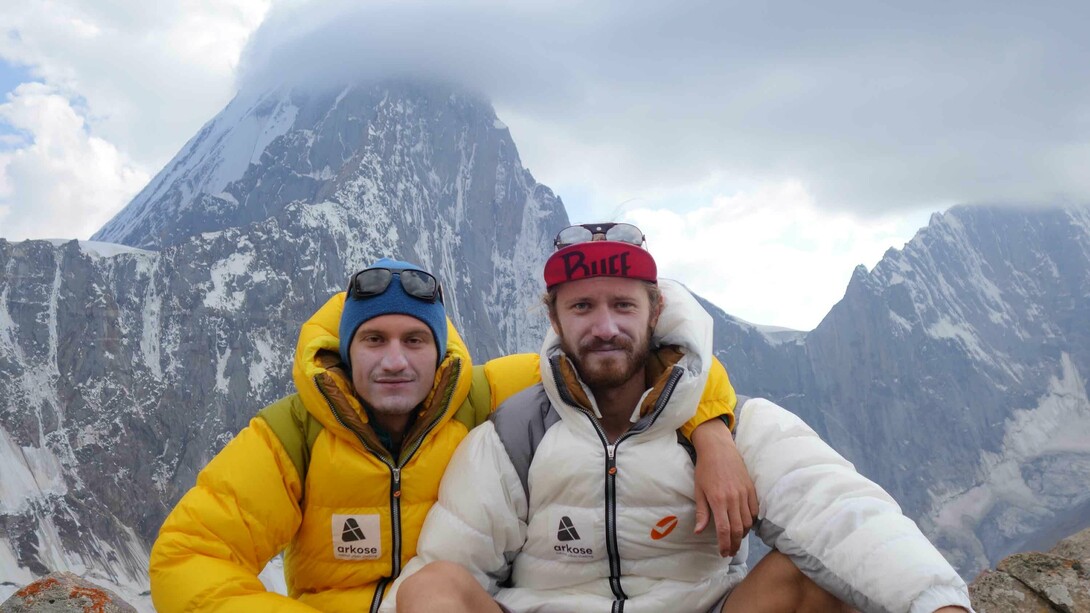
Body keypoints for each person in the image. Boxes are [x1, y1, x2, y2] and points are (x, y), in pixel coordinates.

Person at [386, 224, 974, 612]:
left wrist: (937, 604)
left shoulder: (732, 425)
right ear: (556, 321)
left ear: (655, 310)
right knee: (432, 588)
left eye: (623, 304)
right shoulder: (517, 434)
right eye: (583, 307)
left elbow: (840, 509)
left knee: (817, 577)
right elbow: (448, 570)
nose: (605, 326)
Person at [148, 255, 749, 612]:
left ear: (439, 353)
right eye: (373, 341)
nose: (394, 361)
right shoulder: (293, 434)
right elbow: (187, 557)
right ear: (344, 352)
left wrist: (713, 432)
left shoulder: (486, 395)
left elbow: (631, 364)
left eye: (414, 341)